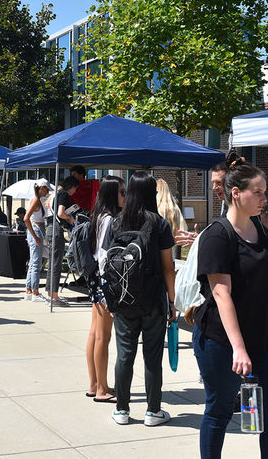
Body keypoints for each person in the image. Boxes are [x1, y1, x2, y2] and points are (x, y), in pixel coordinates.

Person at [194, 153, 268, 458]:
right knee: (220, 411)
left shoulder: (259, 228)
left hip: (266, 341)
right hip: (223, 342)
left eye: (265, 192)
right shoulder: (217, 236)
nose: (264, 198)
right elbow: (222, 295)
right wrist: (239, 348)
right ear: (237, 193)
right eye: (258, 192)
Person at [108, 171, 176, 427]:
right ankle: (152, 411)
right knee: (152, 355)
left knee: (124, 354)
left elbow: (109, 259)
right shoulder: (159, 224)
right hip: (153, 299)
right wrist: (172, 300)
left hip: (123, 297)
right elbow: (168, 267)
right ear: (151, 194)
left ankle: (122, 410)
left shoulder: (117, 222)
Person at [86, 175, 125, 403]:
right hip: (104, 280)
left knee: (94, 333)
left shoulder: (98, 216)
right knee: (103, 336)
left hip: (95, 279)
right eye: (122, 192)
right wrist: (109, 286)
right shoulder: (109, 219)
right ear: (112, 194)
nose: (125, 197)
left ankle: (94, 384)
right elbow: (104, 256)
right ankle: (101, 389)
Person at [45, 175, 80, 306]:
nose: (75, 192)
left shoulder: (54, 194)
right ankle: (54, 297)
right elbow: (60, 213)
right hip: (56, 229)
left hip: (50, 229)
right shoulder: (63, 194)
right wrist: (70, 219)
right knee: (56, 264)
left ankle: (50, 294)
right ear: (71, 186)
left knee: (52, 263)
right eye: (75, 188)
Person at [175, 162, 228, 247]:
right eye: (213, 183)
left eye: (218, 183)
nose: (214, 187)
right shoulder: (226, 207)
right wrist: (201, 239)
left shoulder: (244, 212)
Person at [23, 179, 51, 302]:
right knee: (36, 263)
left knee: (34, 262)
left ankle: (29, 290)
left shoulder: (37, 199)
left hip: (37, 229)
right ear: (41, 188)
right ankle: (35, 292)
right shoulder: (35, 200)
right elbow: (26, 218)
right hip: (36, 229)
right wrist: (35, 236)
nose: (48, 191)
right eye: (46, 188)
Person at [156, 178, 188, 257]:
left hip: (155, 251)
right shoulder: (174, 209)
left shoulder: (154, 209)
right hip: (170, 252)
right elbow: (181, 232)